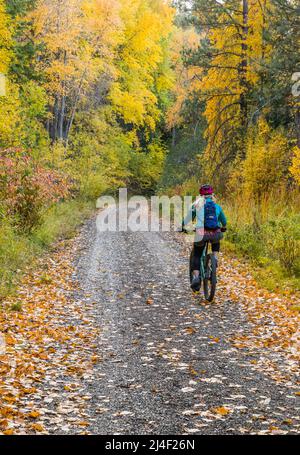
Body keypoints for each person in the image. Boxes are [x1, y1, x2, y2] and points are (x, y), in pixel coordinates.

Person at [182, 184, 227, 291]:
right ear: (212, 195)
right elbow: (224, 221)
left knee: (197, 254)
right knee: (216, 240)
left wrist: (183, 226)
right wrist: (223, 227)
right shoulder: (217, 206)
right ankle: (214, 261)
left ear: (200, 195)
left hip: (201, 234)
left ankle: (196, 277)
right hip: (215, 233)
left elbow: (188, 219)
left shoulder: (196, 205)